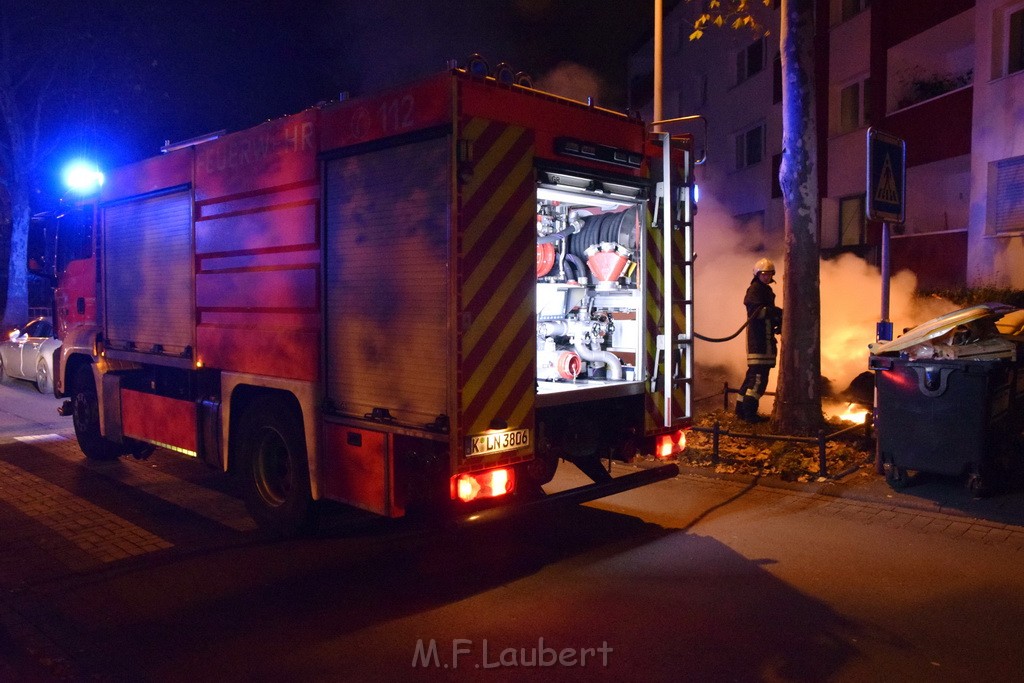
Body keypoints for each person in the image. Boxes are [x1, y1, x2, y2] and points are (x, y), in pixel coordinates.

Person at [736, 258, 782, 423]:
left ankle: (740, 410)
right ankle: (749, 414)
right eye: (764, 274)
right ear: (757, 274)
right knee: (758, 380)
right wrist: (776, 312)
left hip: (764, 341)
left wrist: (777, 319)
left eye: (769, 274)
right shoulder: (756, 290)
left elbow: (766, 315)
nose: (767, 277)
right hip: (759, 343)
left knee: (752, 377)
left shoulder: (764, 290)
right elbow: (758, 313)